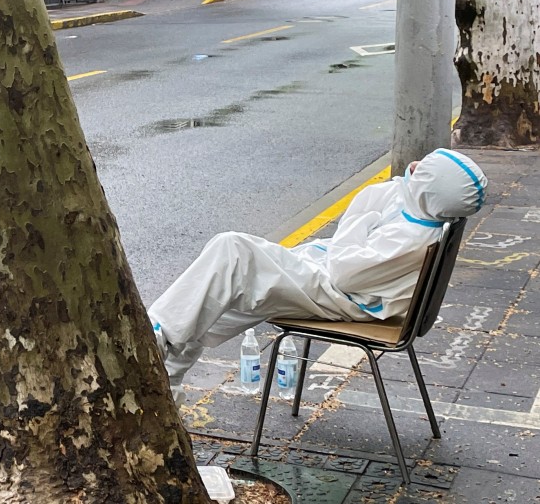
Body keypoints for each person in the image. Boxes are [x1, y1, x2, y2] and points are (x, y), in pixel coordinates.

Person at [149, 148, 488, 401]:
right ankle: (166, 371)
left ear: (429, 189)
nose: (411, 168)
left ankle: (156, 338)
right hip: (341, 288)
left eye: (422, 170)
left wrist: (364, 215)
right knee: (218, 291)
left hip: (342, 296)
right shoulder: (424, 217)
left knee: (232, 251)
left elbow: (343, 271)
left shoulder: (407, 239)